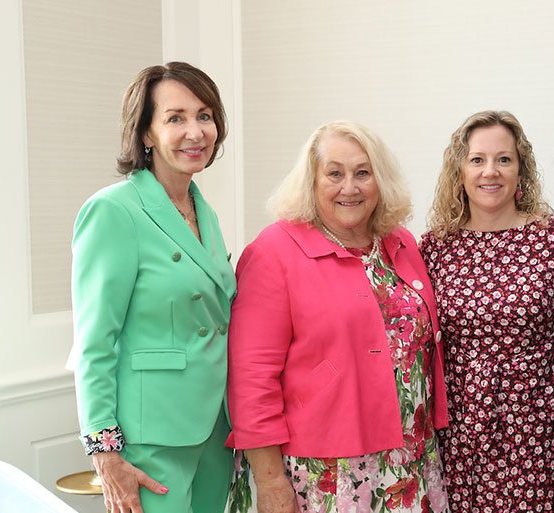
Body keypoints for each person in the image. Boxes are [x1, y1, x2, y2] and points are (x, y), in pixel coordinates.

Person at [226, 121, 450, 513]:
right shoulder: (274, 252)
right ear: (310, 181)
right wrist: (270, 481)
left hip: (409, 458)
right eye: (334, 173)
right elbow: (251, 377)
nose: (350, 187)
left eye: (363, 173)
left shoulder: (400, 242)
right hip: (322, 473)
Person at [70, 62, 237, 513]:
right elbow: (94, 342)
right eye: (176, 117)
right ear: (145, 133)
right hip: (149, 438)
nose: (196, 131)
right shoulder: (113, 211)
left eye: (205, 115)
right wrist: (105, 453)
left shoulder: (206, 213)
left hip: (215, 432)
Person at [420, 111, 554, 512]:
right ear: (459, 171)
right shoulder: (435, 249)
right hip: (458, 428)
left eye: (504, 159)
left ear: (520, 169)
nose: (490, 171)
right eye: (477, 159)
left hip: (535, 427)